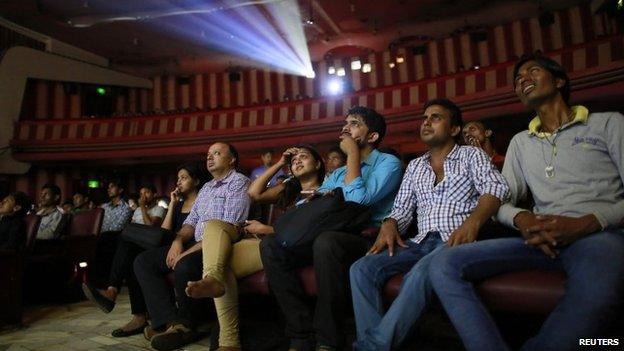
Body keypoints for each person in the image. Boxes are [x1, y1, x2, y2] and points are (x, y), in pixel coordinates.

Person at [430, 54, 624, 351]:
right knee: (444, 262)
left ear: (559, 81)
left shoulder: (608, 123)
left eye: (532, 71)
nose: (522, 80)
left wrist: (588, 222)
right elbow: (501, 200)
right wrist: (525, 220)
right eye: (518, 79)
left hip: (598, 235)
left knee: (600, 286)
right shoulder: (522, 142)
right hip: (541, 239)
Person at [349, 99, 509, 351]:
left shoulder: (471, 154)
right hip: (420, 241)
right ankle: (378, 341)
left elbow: (496, 188)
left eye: (436, 117)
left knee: (422, 270)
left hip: (456, 241)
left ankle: (372, 347)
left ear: (455, 129)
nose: (426, 122)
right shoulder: (414, 166)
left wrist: (473, 223)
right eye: (425, 117)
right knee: (361, 268)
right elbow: (401, 209)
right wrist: (390, 223)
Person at [260, 106, 403, 351]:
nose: (345, 128)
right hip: (327, 230)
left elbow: (358, 201)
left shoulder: (388, 163)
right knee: (271, 245)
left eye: (354, 124)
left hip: (367, 238)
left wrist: (353, 157)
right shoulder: (337, 173)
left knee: (327, 241)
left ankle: (329, 339)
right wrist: (333, 191)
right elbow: (311, 205)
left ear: (373, 137)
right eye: (345, 123)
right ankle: (301, 334)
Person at [185, 145, 326, 351]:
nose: (296, 161)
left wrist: (266, 229)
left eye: (303, 157)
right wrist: (279, 163)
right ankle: (212, 280)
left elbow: (310, 231)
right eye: (293, 160)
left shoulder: (328, 189)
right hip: (267, 243)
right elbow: (254, 193)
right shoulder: (289, 188)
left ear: (318, 163)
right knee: (214, 227)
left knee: (222, 264)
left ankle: (228, 342)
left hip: (288, 246)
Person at [134, 142, 250, 351]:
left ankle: (188, 325)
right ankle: (170, 322)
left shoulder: (239, 182)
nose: (210, 157)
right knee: (144, 261)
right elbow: (191, 221)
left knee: (185, 265)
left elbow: (230, 227)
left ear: (232, 159)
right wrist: (178, 241)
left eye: (217, 153)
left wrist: (186, 252)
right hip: (195, 242)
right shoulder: (206, 187)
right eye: (208, 154)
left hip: (220, 245)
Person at [82, 164, 205, 337]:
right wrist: (172, 205)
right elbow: (165, 229)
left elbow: (177, 234)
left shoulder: (204, 201)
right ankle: (139, 315)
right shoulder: (177, 204)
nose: (179, 181)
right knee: (131, 250)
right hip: (169, 241)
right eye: (178, 178)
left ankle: (112, 291)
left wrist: (176, 240)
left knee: (128, 234)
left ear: (197, 181)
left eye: (184, 177)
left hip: (187, 244)